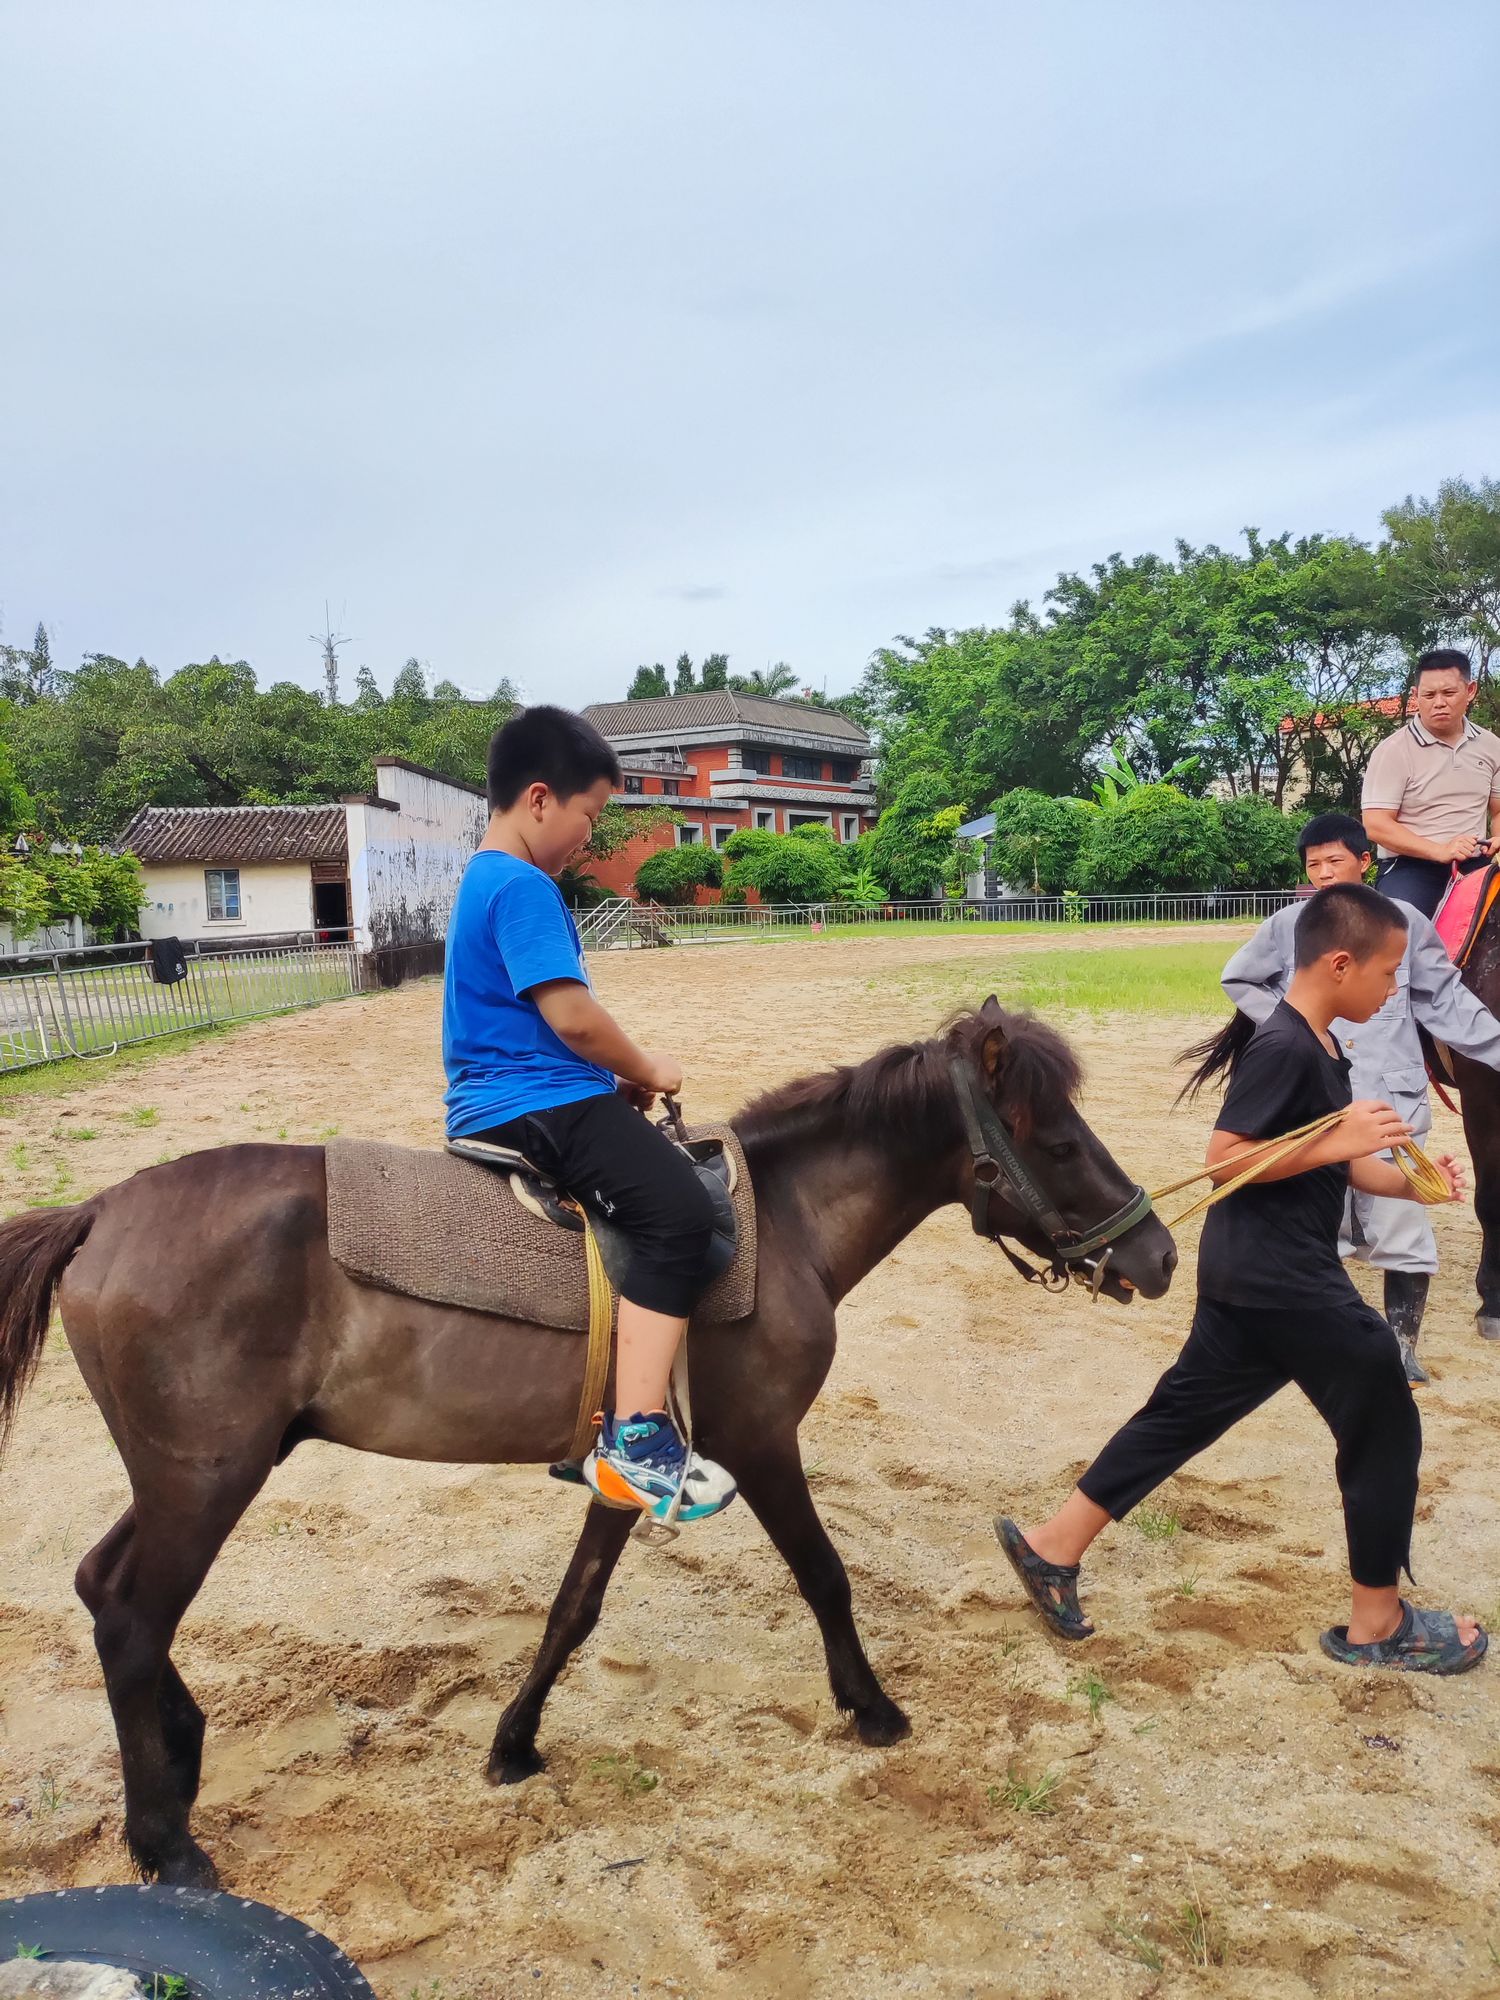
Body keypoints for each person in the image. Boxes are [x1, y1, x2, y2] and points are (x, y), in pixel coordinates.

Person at [997, 884, 1487, 1676]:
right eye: (1389, 971)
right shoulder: (1286, 1045)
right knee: (1385, 1422)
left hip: (1249, 1274)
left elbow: (1329, 1156)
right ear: (1338, 963)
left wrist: (1406, 1183)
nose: (1395, 987)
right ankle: (1379, 1624)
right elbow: (1226, 1158)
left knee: (1181, 1413)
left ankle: (1052, 1547)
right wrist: (1338, 1146)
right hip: (1284, 1278)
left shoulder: (1323, 1043)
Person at [442, 704, 736, 1524]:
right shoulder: (524, 885)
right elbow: (570, 1015)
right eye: (589, 816)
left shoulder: (484, 878)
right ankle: (638, 1437)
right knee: (679, 1213)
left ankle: (602, 1413)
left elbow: (537, 1021)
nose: (589, 838)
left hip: (530, 1091)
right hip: (534, 1103)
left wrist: (611, 1085)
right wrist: (646, 1067)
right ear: (540, 799)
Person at [1221, 812, 1500, 1382]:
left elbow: (1446, 1000)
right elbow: (1240, 980)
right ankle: (1326, 1343)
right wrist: (1296, 1027)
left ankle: (1402, 1347)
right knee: (1321, 1224)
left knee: (1404, 1220)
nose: (1324, 873)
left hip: (1392, 1098)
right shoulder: (1286, 924)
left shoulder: (1406, 921)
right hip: (1318, 1100)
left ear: (1364, 862)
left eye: (1335, 861)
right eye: (1313, 865)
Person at [1361, 649, 1500, 919]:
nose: (1439, 703)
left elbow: (1498, 810)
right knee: (1402, 927)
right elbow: (1376, 823)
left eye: (1448, 693)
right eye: (1428, 695)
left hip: (1475, 863)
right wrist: (1439, 851)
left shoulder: (1491, 745)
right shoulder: (1393, 750)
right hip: (1409, 866)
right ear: (1415, 696)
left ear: (1470, 690)